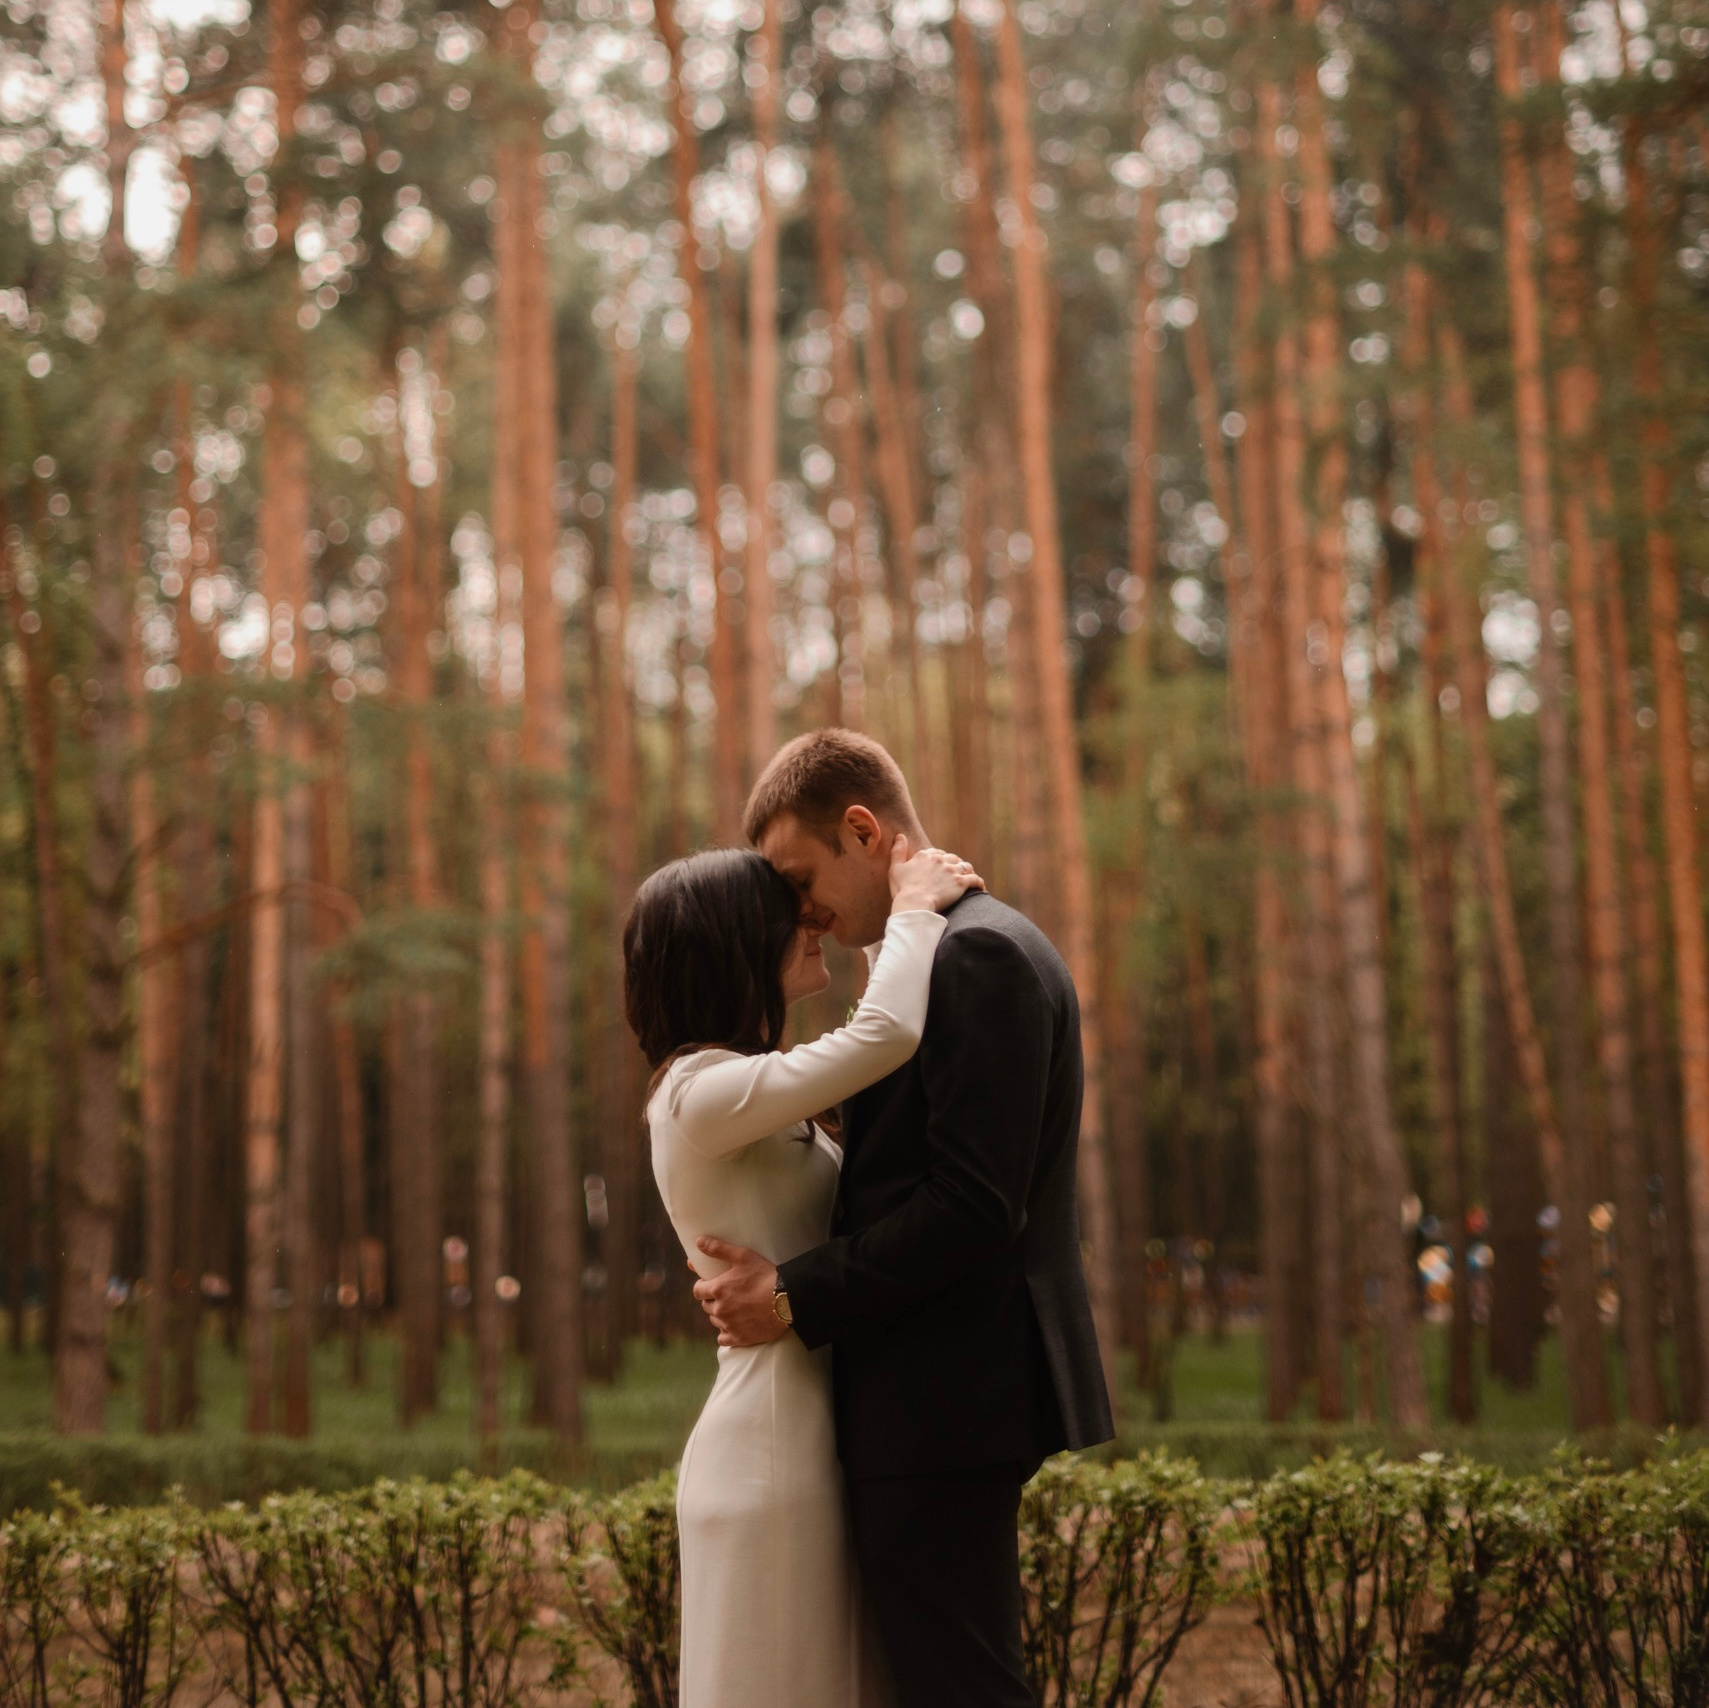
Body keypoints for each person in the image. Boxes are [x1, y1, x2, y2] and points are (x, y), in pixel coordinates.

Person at [693, 728, 1114, 1708]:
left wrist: (789, 1294)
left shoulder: (977, 957)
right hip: (937, 1394)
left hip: (942, 1398)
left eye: (800, 878)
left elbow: (974, 1203)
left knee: (959, 1688)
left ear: (861, 830)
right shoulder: (950, 952)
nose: (797, 911)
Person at [624, 833, 984, 1708]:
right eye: (787, 916)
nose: (811, 922)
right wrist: (906, 912)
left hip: (812, 1432)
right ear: (731, 946)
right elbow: (883, 1034)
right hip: (772, 1450)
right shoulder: (698, 1095)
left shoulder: (739, 1087)